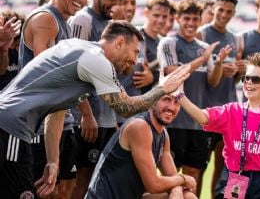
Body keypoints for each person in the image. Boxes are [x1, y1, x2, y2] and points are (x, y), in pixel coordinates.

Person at [0, 21, 190, 198]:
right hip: (11, 126)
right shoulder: (96, 60)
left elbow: (56, 113)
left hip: (10, 125)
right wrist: (162, 89)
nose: (135, 60)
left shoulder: (79, 48)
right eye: (134, 52)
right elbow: (125, 107)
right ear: (119, 43)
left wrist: (52, 161)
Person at [175, 52, 260, 199]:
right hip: (235, 176)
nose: (248, 82)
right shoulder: (231, 111)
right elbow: (203, 117)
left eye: (255, 79)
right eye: (246, 78)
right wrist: (180, 96)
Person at [17, 0, 94, 198]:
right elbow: (48, 78)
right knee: (41, 191)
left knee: (64, 190)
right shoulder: (45, 20)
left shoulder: (64, 24)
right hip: (38, 125)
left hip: (61, 121)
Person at [157, 0, 230, 197]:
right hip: (173, 122)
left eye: (195, 19)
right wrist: (203, 59)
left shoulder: (202, 46)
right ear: (178, 19)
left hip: (197, 124)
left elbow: (213, 81)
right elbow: (173, 73)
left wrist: (220, 62)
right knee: (171, 177)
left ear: (200, 20)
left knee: (193, 176)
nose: (190, 23)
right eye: (186, 18)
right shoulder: (169, 42)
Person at [68, 0, 126, 198]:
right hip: (87, 118)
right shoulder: (84, 19)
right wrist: (86, 114)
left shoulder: (114, 23)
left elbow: (123, 69)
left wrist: (122, 26)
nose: (116, 4)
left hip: (107, 118)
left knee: (98, 181)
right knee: (79, 182)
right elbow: (72, 69)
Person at [86, 93, 197, 199]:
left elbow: (172, 176)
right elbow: (153, 185)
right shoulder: (140, 126)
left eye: (177, 102)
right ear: (152, 102)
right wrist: (183, 178)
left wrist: (176, 189)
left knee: (187, 197)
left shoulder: (163, 135)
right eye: (166, 99)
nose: (172, 107)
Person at [196, 0, 239, 198]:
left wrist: (237, 70)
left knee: (223, 166)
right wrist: (220, 69)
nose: (224, 15)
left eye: (229, 11)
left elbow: (236, 77)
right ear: (215, 8)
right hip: (206, 110)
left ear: (233, 13)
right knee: (198, 166)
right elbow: (198, 72)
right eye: (221, 10)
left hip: (229, 111)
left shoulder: (234, 37)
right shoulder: (202, 33)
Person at [0, 10, 24, 90]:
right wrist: (3, 50)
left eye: (17, 44)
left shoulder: (27, 48)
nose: (12, 47)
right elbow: (1, 71)